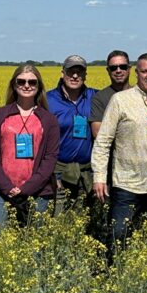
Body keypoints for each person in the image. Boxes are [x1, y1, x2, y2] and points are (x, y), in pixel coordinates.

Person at [92, 53, 147, 254]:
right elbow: (103, 141)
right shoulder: (120, 100)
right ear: (136, 73)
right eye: (145, 71)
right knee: (118, 236)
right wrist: (99, 177)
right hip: (126, 184)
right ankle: (113, 275)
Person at [0, 64, 60, 229]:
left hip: (39, 192)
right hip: (0, 191)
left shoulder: (48, 120)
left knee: (35, 247)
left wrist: (27, 188)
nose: (27, 86)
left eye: (32, 82)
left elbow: (50, 158)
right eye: (22, 81)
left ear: (39, 86)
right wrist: (7, 187)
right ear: (14, 84)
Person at [47, 55, 98, 212]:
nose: (75, 76)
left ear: (85, 75)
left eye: (79, 72)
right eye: (71, 71)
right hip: (59, 173)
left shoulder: (95, 97)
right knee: (59, 219)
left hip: (88, 173)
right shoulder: (48, 99)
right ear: (63, 73)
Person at [90, 50, 131, 138]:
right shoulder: (100, 98)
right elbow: (98, 133)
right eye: (113, 68)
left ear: (129, 69)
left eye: (123, 67)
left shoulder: (141, 95)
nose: (118, 70)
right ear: (108, 70)